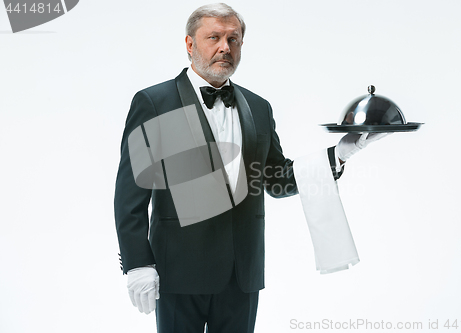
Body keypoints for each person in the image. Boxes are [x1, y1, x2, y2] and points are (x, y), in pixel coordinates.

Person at [114, 3, 386, 333]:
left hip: (242, 275)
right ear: (189, 44)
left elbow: (276, 180)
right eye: (214, 37)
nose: (224, 48)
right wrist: (138, 263)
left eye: (234, 39)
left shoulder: (257, 107)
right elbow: (130, 194)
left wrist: (339, 154)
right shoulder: (155, 102)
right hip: (178, 273)